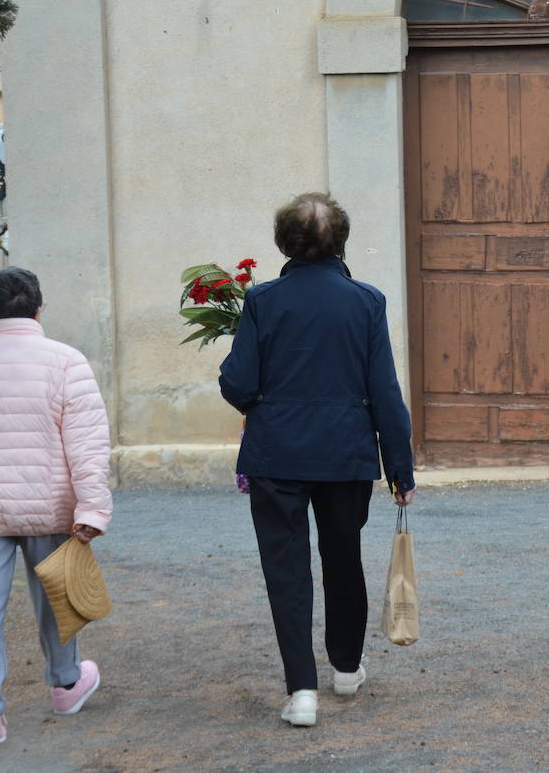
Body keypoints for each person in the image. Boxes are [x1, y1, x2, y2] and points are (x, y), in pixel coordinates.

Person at [219, 192, 416, 728]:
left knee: (287, 572)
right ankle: (347, 668)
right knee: (343, 558)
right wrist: (400, 466)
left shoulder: (262, 301)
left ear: (285, 242)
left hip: (277, 452)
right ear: (342, 240)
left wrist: (263, 404)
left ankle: (301, 690)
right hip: (345, 452)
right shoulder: (366, 301)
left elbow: (237, 384)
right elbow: (385, 390)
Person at [0, 267, 112, 748]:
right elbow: (87, 444)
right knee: (55, 593)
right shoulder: (65, 361)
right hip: (48, 498)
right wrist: (92, 508)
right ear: (38, 308)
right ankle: (66, 681)